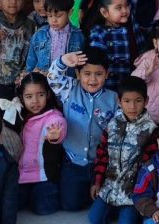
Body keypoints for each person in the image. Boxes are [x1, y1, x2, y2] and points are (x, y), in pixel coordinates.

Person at [48, 48, 119, 211]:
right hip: (72, 162)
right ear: (78, 74)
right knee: (71, 205)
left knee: (103, 206)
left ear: (107, 74)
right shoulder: (69, 89)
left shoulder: (114, 98)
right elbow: (53, 77)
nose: (92, 79)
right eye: (87, 74)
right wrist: (63, 61)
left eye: (99, 74)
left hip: (100, 164)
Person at [90, 76, 159, 224]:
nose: (132, 107)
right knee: (93, 219)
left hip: (133, 193)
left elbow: (152, 166)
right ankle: (113, 209)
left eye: (138, 101)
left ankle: (126, 212)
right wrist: (97, 182)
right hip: (109, 187)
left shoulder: (151, 129)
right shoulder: (112, 125)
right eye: (127, 101)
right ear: (119, 101)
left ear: (146, 101)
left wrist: (146, 196)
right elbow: (102, 155)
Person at [11, 72, 67, 215]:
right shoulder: (18, 113)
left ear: (48, 94)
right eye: (29, 97)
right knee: (13, 203)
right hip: (21, 174)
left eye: (40, 95)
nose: (35, 101)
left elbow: (59, 124)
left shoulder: (52, 116)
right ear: (22, 98)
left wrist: (56, 134)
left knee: (43, 208)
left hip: (44, 175)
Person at [87, 0, 144, 92]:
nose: (124, 10)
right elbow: (97, 62)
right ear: (104, 12)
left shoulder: (132, 24)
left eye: (126, 6)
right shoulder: (99, 33)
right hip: (111, 87)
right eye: (118, 8)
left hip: (135, 84)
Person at [26, 0, 85, 76]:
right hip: (44, 83)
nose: (53, 20)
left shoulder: (78, 36)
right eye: (50, 16)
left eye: (58, 16)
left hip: (68, 84)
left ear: (70, 12)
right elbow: (31, 63)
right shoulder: (39, 35)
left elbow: (82, 63)